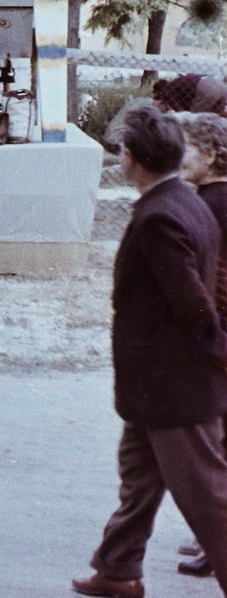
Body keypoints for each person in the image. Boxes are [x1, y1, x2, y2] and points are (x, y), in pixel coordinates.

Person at [74, 106, 227, 598]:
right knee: (140, 479)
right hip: (154, 383)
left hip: (172, 383)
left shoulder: (162, 214)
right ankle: (119, 571)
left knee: (208, 498)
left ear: (132, 158)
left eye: (121, 150)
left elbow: (194, 307)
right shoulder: (183, 200)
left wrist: (219, 358)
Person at [175, 112, 227, 581]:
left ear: (212, 154)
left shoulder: (213, 204)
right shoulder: (211, 199)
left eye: (187, 146)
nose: (178, 155)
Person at [157, 74, 227, 116]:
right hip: (221, 86)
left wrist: (181, 113)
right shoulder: (179, 86)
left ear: (161, 102)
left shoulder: (167, 91)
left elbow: (181, 113)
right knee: (215, 120)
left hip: (206, 87)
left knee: (194, 120)